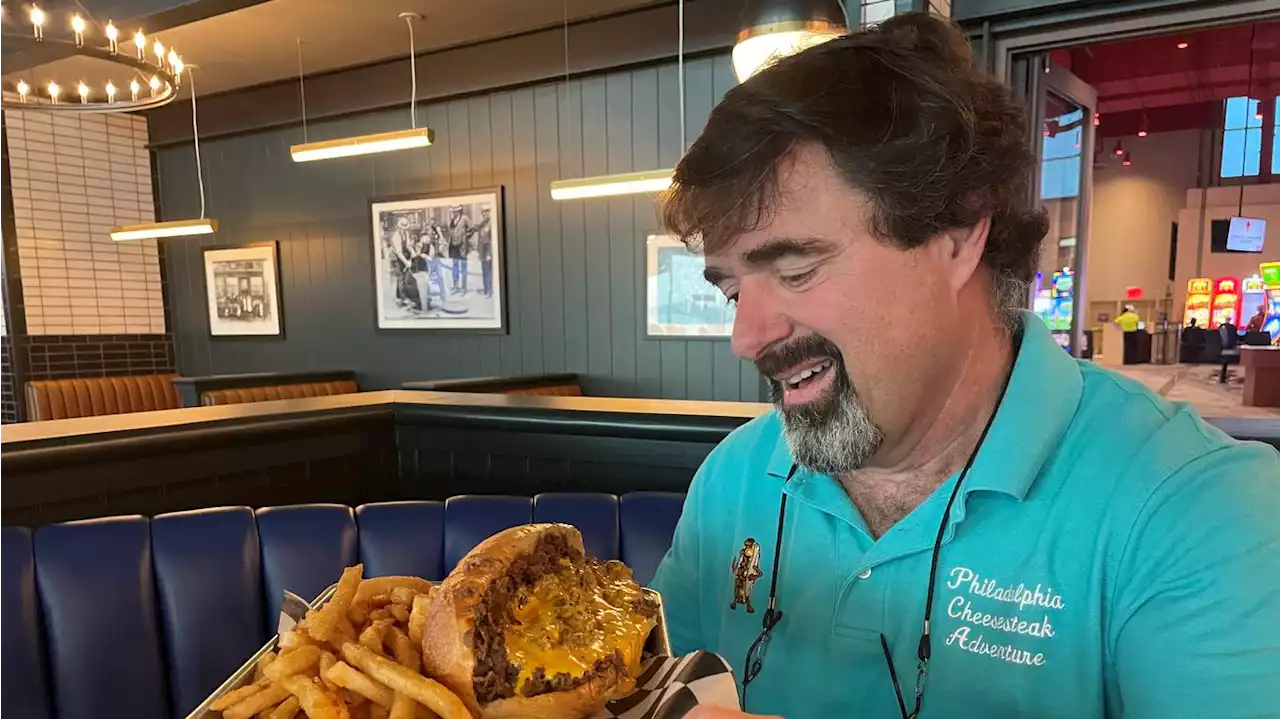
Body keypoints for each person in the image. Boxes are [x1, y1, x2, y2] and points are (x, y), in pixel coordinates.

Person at [653, 13, 1280, 719]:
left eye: (796, 269)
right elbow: (655, 692)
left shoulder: (1196, 511)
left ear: (958, 231)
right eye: (733, 290)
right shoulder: (732, 481)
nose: (746, 335)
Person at [445, 205, 474, 295]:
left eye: (455, 211)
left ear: (459, 211)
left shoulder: (464, 218)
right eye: (452, 211)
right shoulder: (452, 220)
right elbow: (450, 231)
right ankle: (455, 286)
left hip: (462, 246)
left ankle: (463, 288)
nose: (453, 213)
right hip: (454, 246)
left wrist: (466, 236)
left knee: (463, 267)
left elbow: (473, 228)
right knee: (455, 267)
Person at [474, 206, 495, 297]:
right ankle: (485, 288)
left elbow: (492, 241)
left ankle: (489, 291)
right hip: (482, 251)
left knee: (488, 272)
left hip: (487, 251)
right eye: (482, 213)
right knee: (484, 271)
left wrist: (489, 254)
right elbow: (480, 239)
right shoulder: (483, 224)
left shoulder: (491, 224)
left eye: (486, 212)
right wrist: (478, 252)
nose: (483, 214)